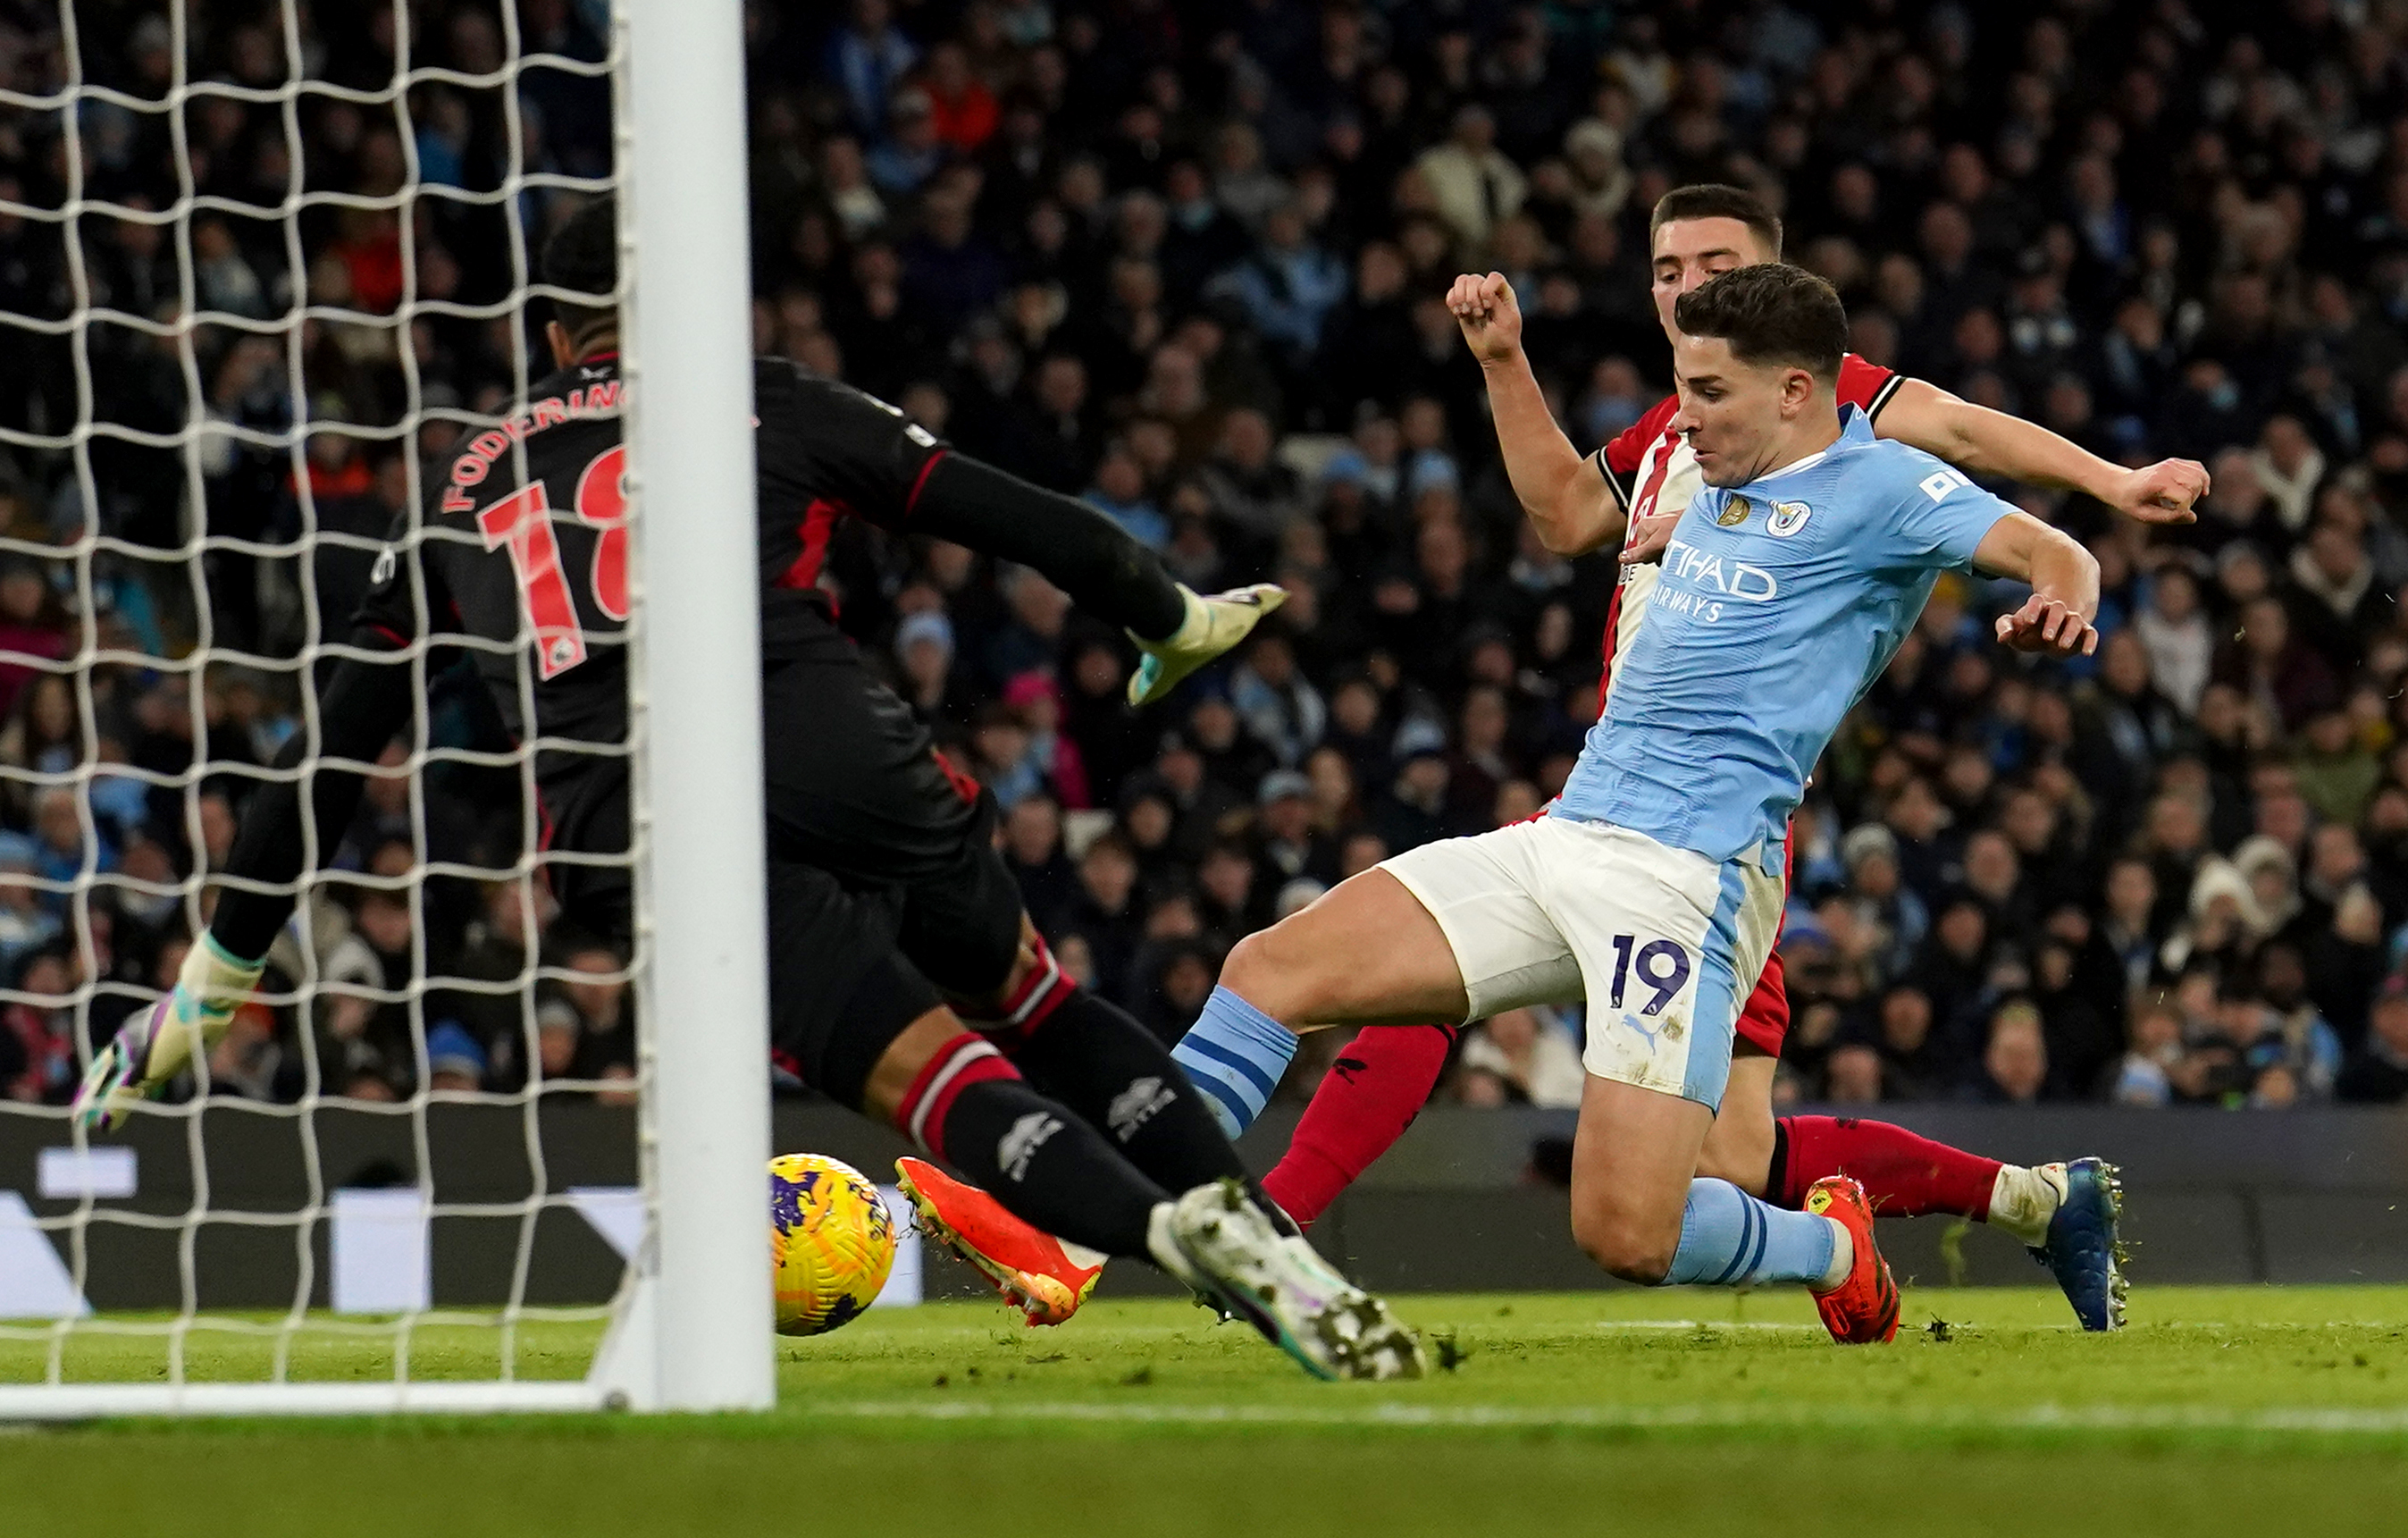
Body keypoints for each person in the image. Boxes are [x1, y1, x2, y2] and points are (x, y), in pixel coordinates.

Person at [70, 198, 1420, 1383]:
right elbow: (1020, 517)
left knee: (927, 1074)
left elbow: (324, 761)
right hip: (832, 740)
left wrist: (206, 993)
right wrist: (1171, 616)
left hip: (635, 816)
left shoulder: (461, 486)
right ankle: (1277, 1253)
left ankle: (1165, 1232)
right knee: (1038, 1007)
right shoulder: (765, 397)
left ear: (554, 335)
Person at [925, 260, 2108, 1345]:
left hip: (1684, 883)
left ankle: (1829, 1247)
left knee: (1626, 1233)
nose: (1682, 416)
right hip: (1567, 834)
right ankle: (1069, 1233)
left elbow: (2052, 549)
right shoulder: (1710, 479)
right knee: (1270, 970)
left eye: (1706, 391)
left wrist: (2058, 597)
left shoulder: (1888, 486)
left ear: (1796, 391)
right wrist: (1510, 365)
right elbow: (1571, 509)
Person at [1254, 184, 2158, 1330]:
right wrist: (1505, 362)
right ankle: (2038, 1200)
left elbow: (1969, 435)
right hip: (1613, 802)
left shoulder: (1826, 395)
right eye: (1667, 268)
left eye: (1715, 264)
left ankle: (1264, 1226)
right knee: (1702, 1139)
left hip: (1708, 840)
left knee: (1701, 1159)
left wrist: (2111, 486)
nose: (1687, 285)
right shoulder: (1671, 431)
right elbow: (1563, 515)